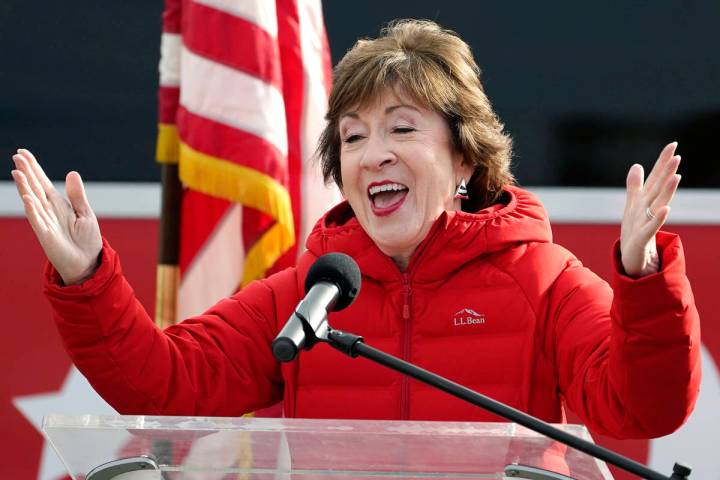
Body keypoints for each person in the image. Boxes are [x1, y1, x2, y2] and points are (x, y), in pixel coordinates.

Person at [11, 20, 699, 440]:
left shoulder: (542, 281)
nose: (373, 154)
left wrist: (642, 279)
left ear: (464, 155)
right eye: (353, 136)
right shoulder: (308, 294)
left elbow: (645, 409)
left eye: (403, 128)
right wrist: (86, 279)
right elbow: (163, 383)